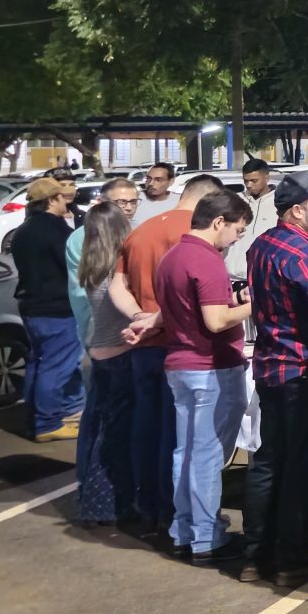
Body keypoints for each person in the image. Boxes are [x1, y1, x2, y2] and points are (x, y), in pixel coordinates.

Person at [241, 173, 308, 582]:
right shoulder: (306, 255)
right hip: (305, 373)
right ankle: (291, 557)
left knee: (270, 461)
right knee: (301, 465)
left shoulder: (262, 244)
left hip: (273, 368)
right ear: (298, 211)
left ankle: (257, 555)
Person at [154, 190, 256, 563]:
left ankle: (185, 529)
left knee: (187, 452)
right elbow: (216, 320)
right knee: (208, 455)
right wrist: (255, 303)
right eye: (238, 230)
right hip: (211, 367)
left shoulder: (171, 257)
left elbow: (181, 310)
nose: (237, 238)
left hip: (181, 365)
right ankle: (205, 535)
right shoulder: (206, 259)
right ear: (218, 222)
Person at [118, 172, 221, 540]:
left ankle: (147, 508)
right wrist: (156, 320)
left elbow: (117, 284)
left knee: (145, 428)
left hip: (142, 346)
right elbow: (193, 294)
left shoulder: (140, 231)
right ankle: (173, 512)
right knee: (179, 437)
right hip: (180, 345)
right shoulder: (196, 235)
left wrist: (139, 317)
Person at [72, 199, 149, 524]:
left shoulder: (90, 264)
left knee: (99, 430)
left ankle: (94, 499)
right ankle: (108, 505)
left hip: (98, 354)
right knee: (117, 437)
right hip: (120, 356)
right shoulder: (115, 272)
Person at [10, 177, 82, 441]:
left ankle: (42, 416)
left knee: (39, 362)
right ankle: (47, 423)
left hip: (31, 306)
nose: (67, 199)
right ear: (52, 200)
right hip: (57, 308)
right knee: (55, 366)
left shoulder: (23, 230)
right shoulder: (57, 229)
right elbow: (73, 266)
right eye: (62, 196)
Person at [225, 158, 279, 279]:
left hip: (263, 278)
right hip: (232, 276)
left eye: (254, 181)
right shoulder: (235, 201)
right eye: (246, 181)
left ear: (266, 178)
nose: (249, 185)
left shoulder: (278, 203)